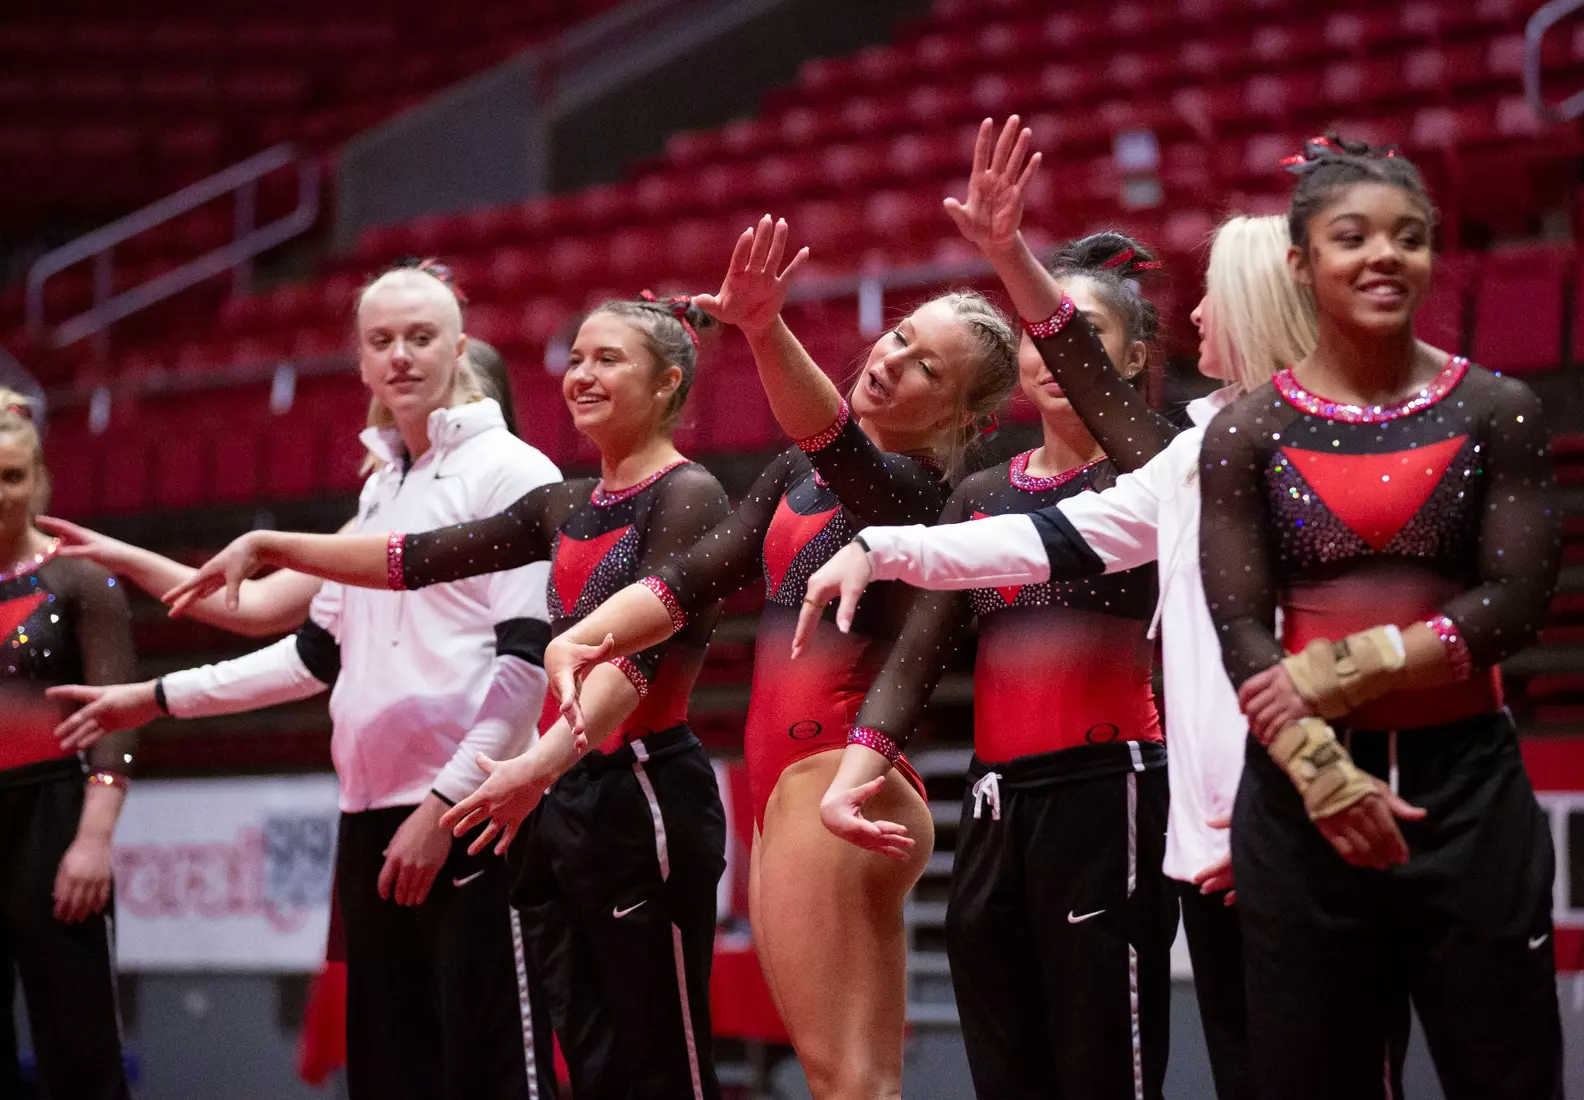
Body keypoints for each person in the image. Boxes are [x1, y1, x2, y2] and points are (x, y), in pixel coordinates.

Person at [147, 295, 735, 1099]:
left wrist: (535, 764)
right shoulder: (563, 506)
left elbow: (634, 661)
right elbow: (411, 559)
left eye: (609, 360)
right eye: (576, 358)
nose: (582, 375)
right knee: (591, 1058)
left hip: (641, 784)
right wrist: (272, 542)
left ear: (670, 382)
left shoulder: (690, 494)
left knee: (661, 1061)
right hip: (565, 794)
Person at [49, 265, 563, 1100]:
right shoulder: (379, 493)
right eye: (381, 341)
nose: (400, 357)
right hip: (368, 814)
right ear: (358, 362)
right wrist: (155, 697)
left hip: (470, 814)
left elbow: (525, 661)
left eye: (421, 338)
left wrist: (443, 808)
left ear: (459, 347)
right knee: (393, 1068)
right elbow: (311, 658)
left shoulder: (513, 473)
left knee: (492, 1066)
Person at [534, 216, 1017, 1099]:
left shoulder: (915, 491)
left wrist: (763, 330)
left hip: (828, 773)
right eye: (901, 335)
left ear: (963, 416)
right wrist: (584, 634)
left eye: (926, 368)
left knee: (842, 1081)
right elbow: (691, 576)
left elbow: (835, 438)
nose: (893, 359)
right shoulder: (801, 470)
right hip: (812, 782)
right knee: (861, 1083)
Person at [794, 117, 1181, 1100]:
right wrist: (855, 772)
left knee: (1104, 1068)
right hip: (996, 803)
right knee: (1006, 1069)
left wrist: (1008, 252)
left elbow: (1133, 440)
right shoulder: (982, 494)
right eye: (1045, 328)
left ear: (1129, 361)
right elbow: (920, 653)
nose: (1058, 352)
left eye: (1086, 334)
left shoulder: (1159, 467)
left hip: (1112, 793)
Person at [1199, 136, 1563, 1100]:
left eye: (1410, 238)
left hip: (1470, 797)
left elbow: (1517, 602)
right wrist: (1321, 775)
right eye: (1351, 237)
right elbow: (1238, 625)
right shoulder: (1249, 431)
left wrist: (1342, 668)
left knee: (1509, 1075)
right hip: (1299, 803)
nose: (1383, 257)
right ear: (1301, 261)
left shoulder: (1496, 408)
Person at [35, 334, 524, 639]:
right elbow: (256, 606)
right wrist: (125, 557)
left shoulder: (511, 490)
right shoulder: (375, 508)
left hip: (480, 765)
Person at [0, 388, 135, 1100]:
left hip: (52, 820)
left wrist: (93, 840)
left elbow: (117, 729)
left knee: (77, 1040)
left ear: (39, 478)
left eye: (11, 477)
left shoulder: (80, 580)